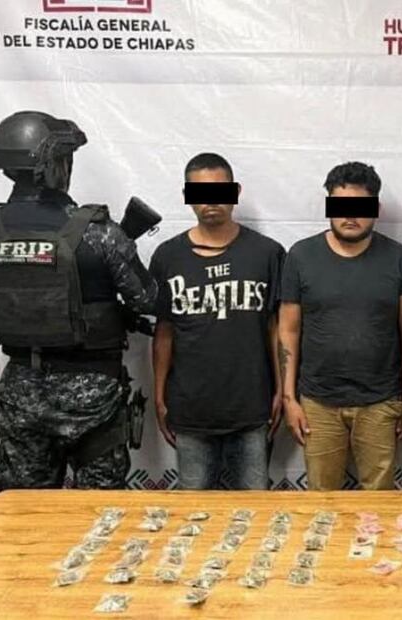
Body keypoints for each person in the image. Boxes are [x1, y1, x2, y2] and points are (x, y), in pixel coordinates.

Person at [0, 110, 156, 492]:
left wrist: (27, 324)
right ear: (55, 165)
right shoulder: (100, 234)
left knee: (24, 511)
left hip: (22, 394)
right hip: (94, 395)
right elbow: (148, 300)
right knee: (98, 513)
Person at [150, 153, 284, 490]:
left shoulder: (267, 253)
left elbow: (275, 328)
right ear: (187, 196)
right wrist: (159, 393)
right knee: (194, 512)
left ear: (235, 192)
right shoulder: (168, 256)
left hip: (251, 405)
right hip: (191, 408)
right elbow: (164, 332)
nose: (211, 201)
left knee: (254, 509)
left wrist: (282, 388)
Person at [280, 162, 402, 490]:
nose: (350, 215)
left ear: (376, 209)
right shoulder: (301, 256)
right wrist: (289, 398)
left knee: (378, 504)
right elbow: (288, 330)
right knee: (322, 502)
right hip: (318, 402)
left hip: (381, 401)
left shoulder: (399, 259)